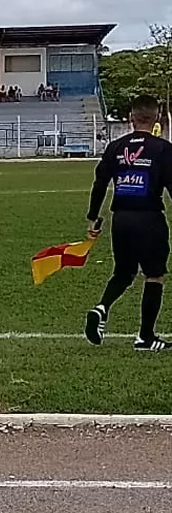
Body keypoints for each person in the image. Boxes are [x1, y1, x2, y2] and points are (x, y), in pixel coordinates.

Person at [85, 94, 172, 351]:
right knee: (154, 275)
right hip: (149, 218)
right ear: (156, 118)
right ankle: (145, 337)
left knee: (123, 272)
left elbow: (99, 183)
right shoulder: (163, 149)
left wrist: (93, 217)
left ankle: (101, 308)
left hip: (120, 219)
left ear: (131, 117)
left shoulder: (115, 147)